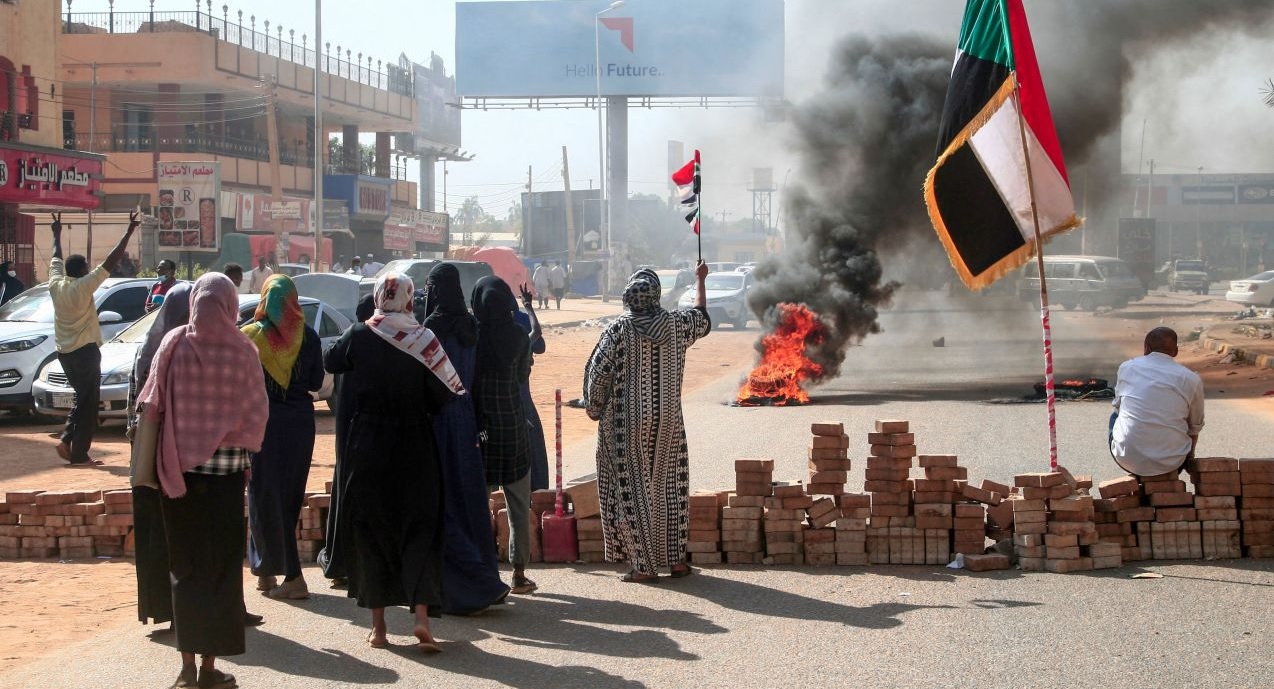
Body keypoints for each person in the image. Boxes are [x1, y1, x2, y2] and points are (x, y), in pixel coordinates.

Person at [138, 273, 268, 689]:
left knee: (186, 568)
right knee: (222, 571)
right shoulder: (244, 351)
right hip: (227, 481)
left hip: (179, 476)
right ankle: (211, 668)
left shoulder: (174, 344)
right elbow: (257, 414)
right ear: (230, 305)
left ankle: (187, 669)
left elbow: (151, 400)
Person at [323, 272, 463, 652]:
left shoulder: (360, 334)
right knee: (420, 526)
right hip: (414, 443)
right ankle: (420, 620)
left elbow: (331, 359)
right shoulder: (424, 339)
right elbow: (445, 395)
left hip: (367, 444)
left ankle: (379, 629)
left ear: (377, 297)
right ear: (408, 299)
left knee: (372, 529)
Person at [583, 262, 711, 582]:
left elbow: (598, 376)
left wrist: (594, 408)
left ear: (629, 295)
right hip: (669, 421)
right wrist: (700, 280)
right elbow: (704, 320)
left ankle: (643, 566)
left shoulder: (617, 331)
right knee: (669, 488)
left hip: (626, 425)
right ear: (655, 295)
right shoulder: (677, 325)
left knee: (633, 491)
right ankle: (676, 561)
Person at [422, 263, 512, 614]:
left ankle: (474, 585)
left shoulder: (431, 330)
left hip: (440, 422)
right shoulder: (472, 327)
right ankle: (484, 575)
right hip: (466, 420)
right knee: (470, 501)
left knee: (445, 505)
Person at [242, 274, 324, 600]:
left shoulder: (250, 337)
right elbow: (316, 381)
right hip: (301, 426)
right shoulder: (310, 337)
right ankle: (265, 572)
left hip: (263, 425)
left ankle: (291, 576)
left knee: (262, 495)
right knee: (289, 498)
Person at [49, 211, 139, 466]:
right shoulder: (83, 286)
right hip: (86, 352)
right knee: (89, 404)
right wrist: (129, 231)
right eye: (87, 268)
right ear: (82, 271)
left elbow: (56, 256)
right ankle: (79, 453)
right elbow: (110, 262)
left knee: (82, 397)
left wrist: (56, 233)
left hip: (64, 353)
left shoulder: (56, 284)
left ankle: (67, 440)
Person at [127, 282, 191, 630]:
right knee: (161, 532)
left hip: (151, 452)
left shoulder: (153, 345)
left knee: (161, 532)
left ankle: (167, 610)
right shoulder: (167, 349)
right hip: (161, 455)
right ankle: (167, 610)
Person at [472, 276, 540, 595]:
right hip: (514, 426)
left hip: (482, 431)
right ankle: (519, 573)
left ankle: (482, 569)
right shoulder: (517, 336)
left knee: (477, 503)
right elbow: (523, 375)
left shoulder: (472, 336)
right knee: (517, 507)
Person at [318, 293, 375, 587]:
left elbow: (329, 361)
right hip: (375, 437)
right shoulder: (385, 341)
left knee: (347, 494)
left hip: (349, 435)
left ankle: (341, 562)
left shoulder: (352, 339)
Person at [1110, 327, 1205, 477]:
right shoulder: (1191, 379)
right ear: (1175, 352)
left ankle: (1138, 472)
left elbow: (1119, 407)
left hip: (1126, 458)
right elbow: (1195, 426)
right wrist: (1189, 458)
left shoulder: (1127, 368)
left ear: (1146, 348)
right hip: (1173, 462)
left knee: (1117, 413)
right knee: (1185, 416)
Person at [514, 305, 549, 491]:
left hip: (493, 411)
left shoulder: (481, 334)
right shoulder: (520, 340)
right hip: (523, 404)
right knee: (533, 453)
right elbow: (536, 335)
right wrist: (528, 308)